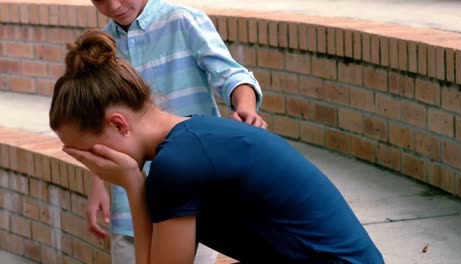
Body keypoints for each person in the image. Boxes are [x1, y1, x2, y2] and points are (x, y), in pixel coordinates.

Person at [50, 29, 384, 264]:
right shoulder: (192, 136)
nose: (90, 163)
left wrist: (133, 185)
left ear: (119, 124)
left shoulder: (176, 166)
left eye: (89, 151)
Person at [88, 0, 266, 263]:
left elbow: (232, 76)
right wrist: (97, 183)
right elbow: (99, 124)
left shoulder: (184, 20)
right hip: (129, 210)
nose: (114, 6)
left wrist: (246, 107)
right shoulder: (103, 48)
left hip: (195, 203)